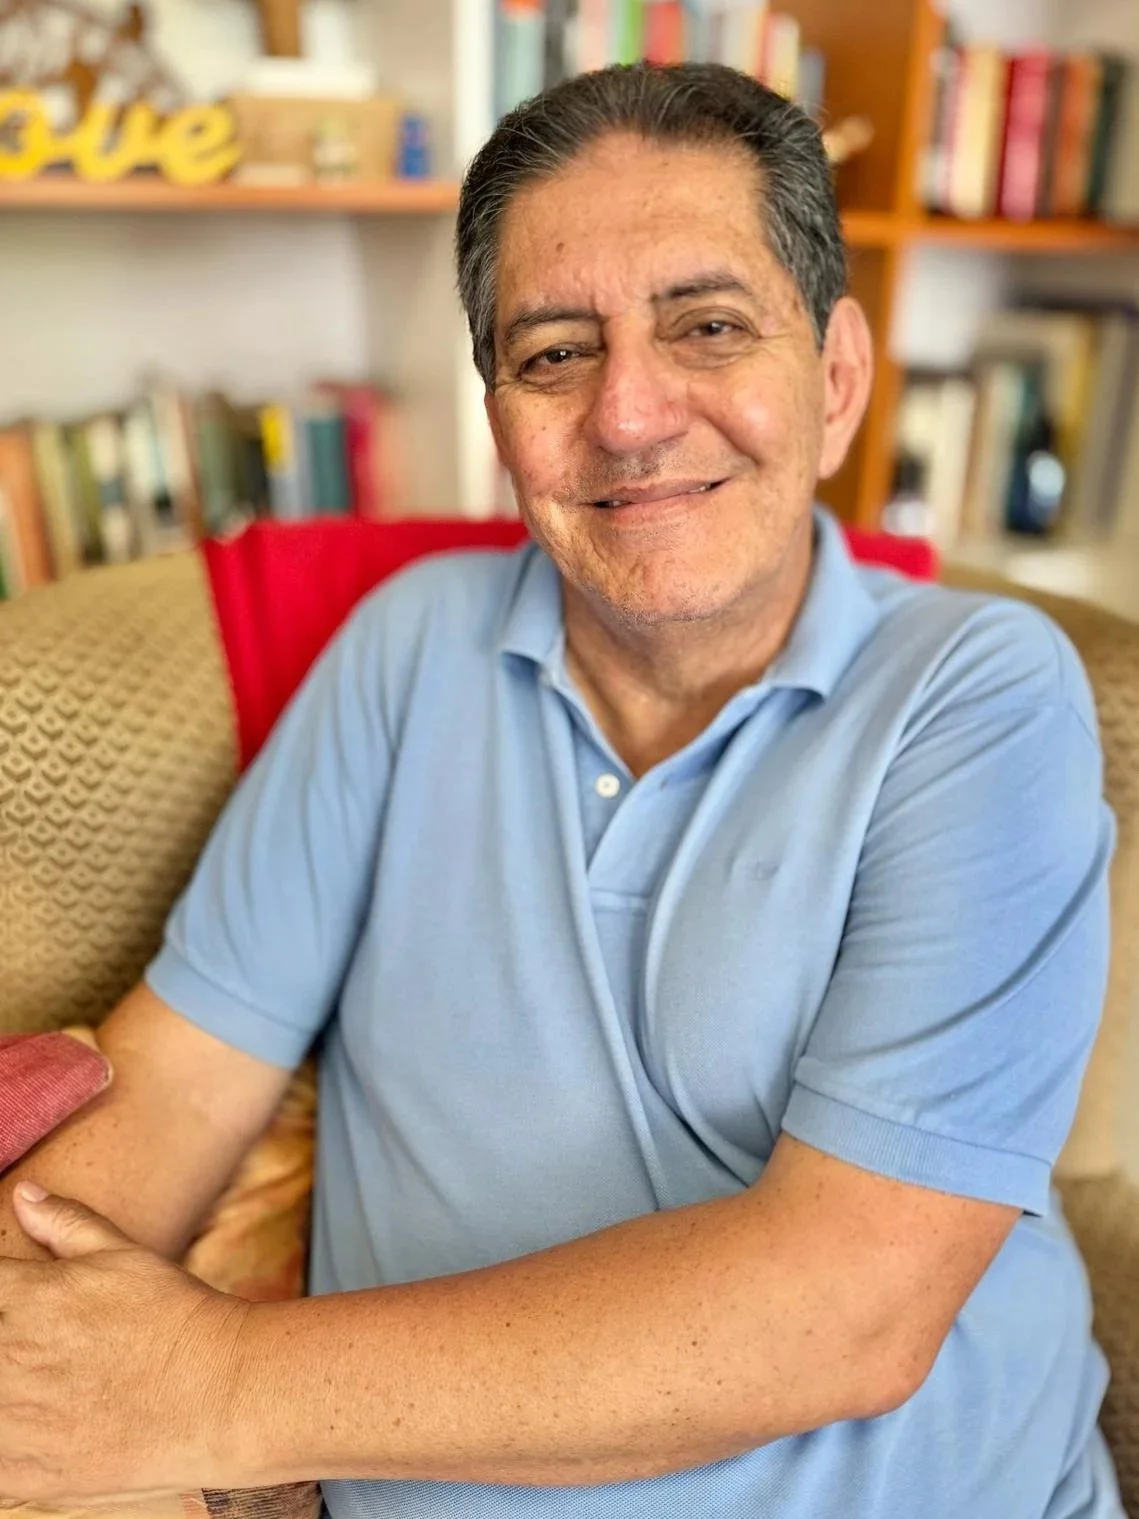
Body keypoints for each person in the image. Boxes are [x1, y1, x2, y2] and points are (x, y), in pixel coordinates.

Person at [0, 62, 1122, 1519]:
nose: (630, 416)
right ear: (498, 418)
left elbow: (842, 1308)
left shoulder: (977, 693)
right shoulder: (403, 650)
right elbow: (176, 1084)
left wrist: (205, 1391)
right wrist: (45, 1356)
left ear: (835, 377)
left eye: (708, 326)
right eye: (552, 354)